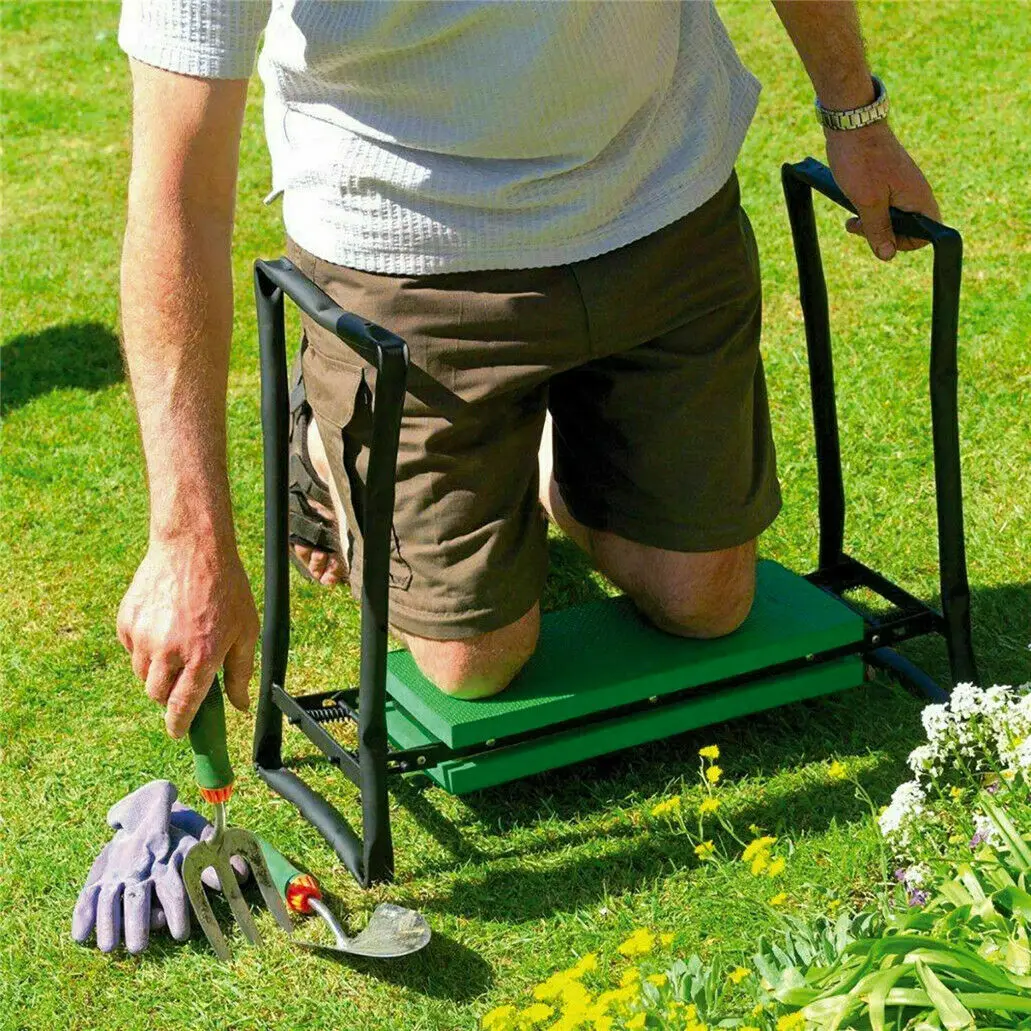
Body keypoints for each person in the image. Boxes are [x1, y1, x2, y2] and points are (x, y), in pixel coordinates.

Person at [115, 1, 939, 739]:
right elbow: (177, 198)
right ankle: (325, 438)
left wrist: (855, 116)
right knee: (473, 659)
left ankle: (529, 434)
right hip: (408, 256)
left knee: (706, 602)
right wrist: (187, 537)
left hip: (657, 196)